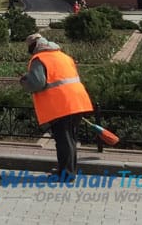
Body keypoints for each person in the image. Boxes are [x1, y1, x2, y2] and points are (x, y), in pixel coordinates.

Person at [21, 33, 93, 181]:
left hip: (61, 105)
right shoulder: (63, 56)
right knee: (70, 139)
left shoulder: (39, 59)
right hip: (77, 101)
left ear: (33, 46)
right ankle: (67, 170)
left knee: (63, 140)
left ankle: (66, 174)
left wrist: (24, 80)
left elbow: (37, 83)